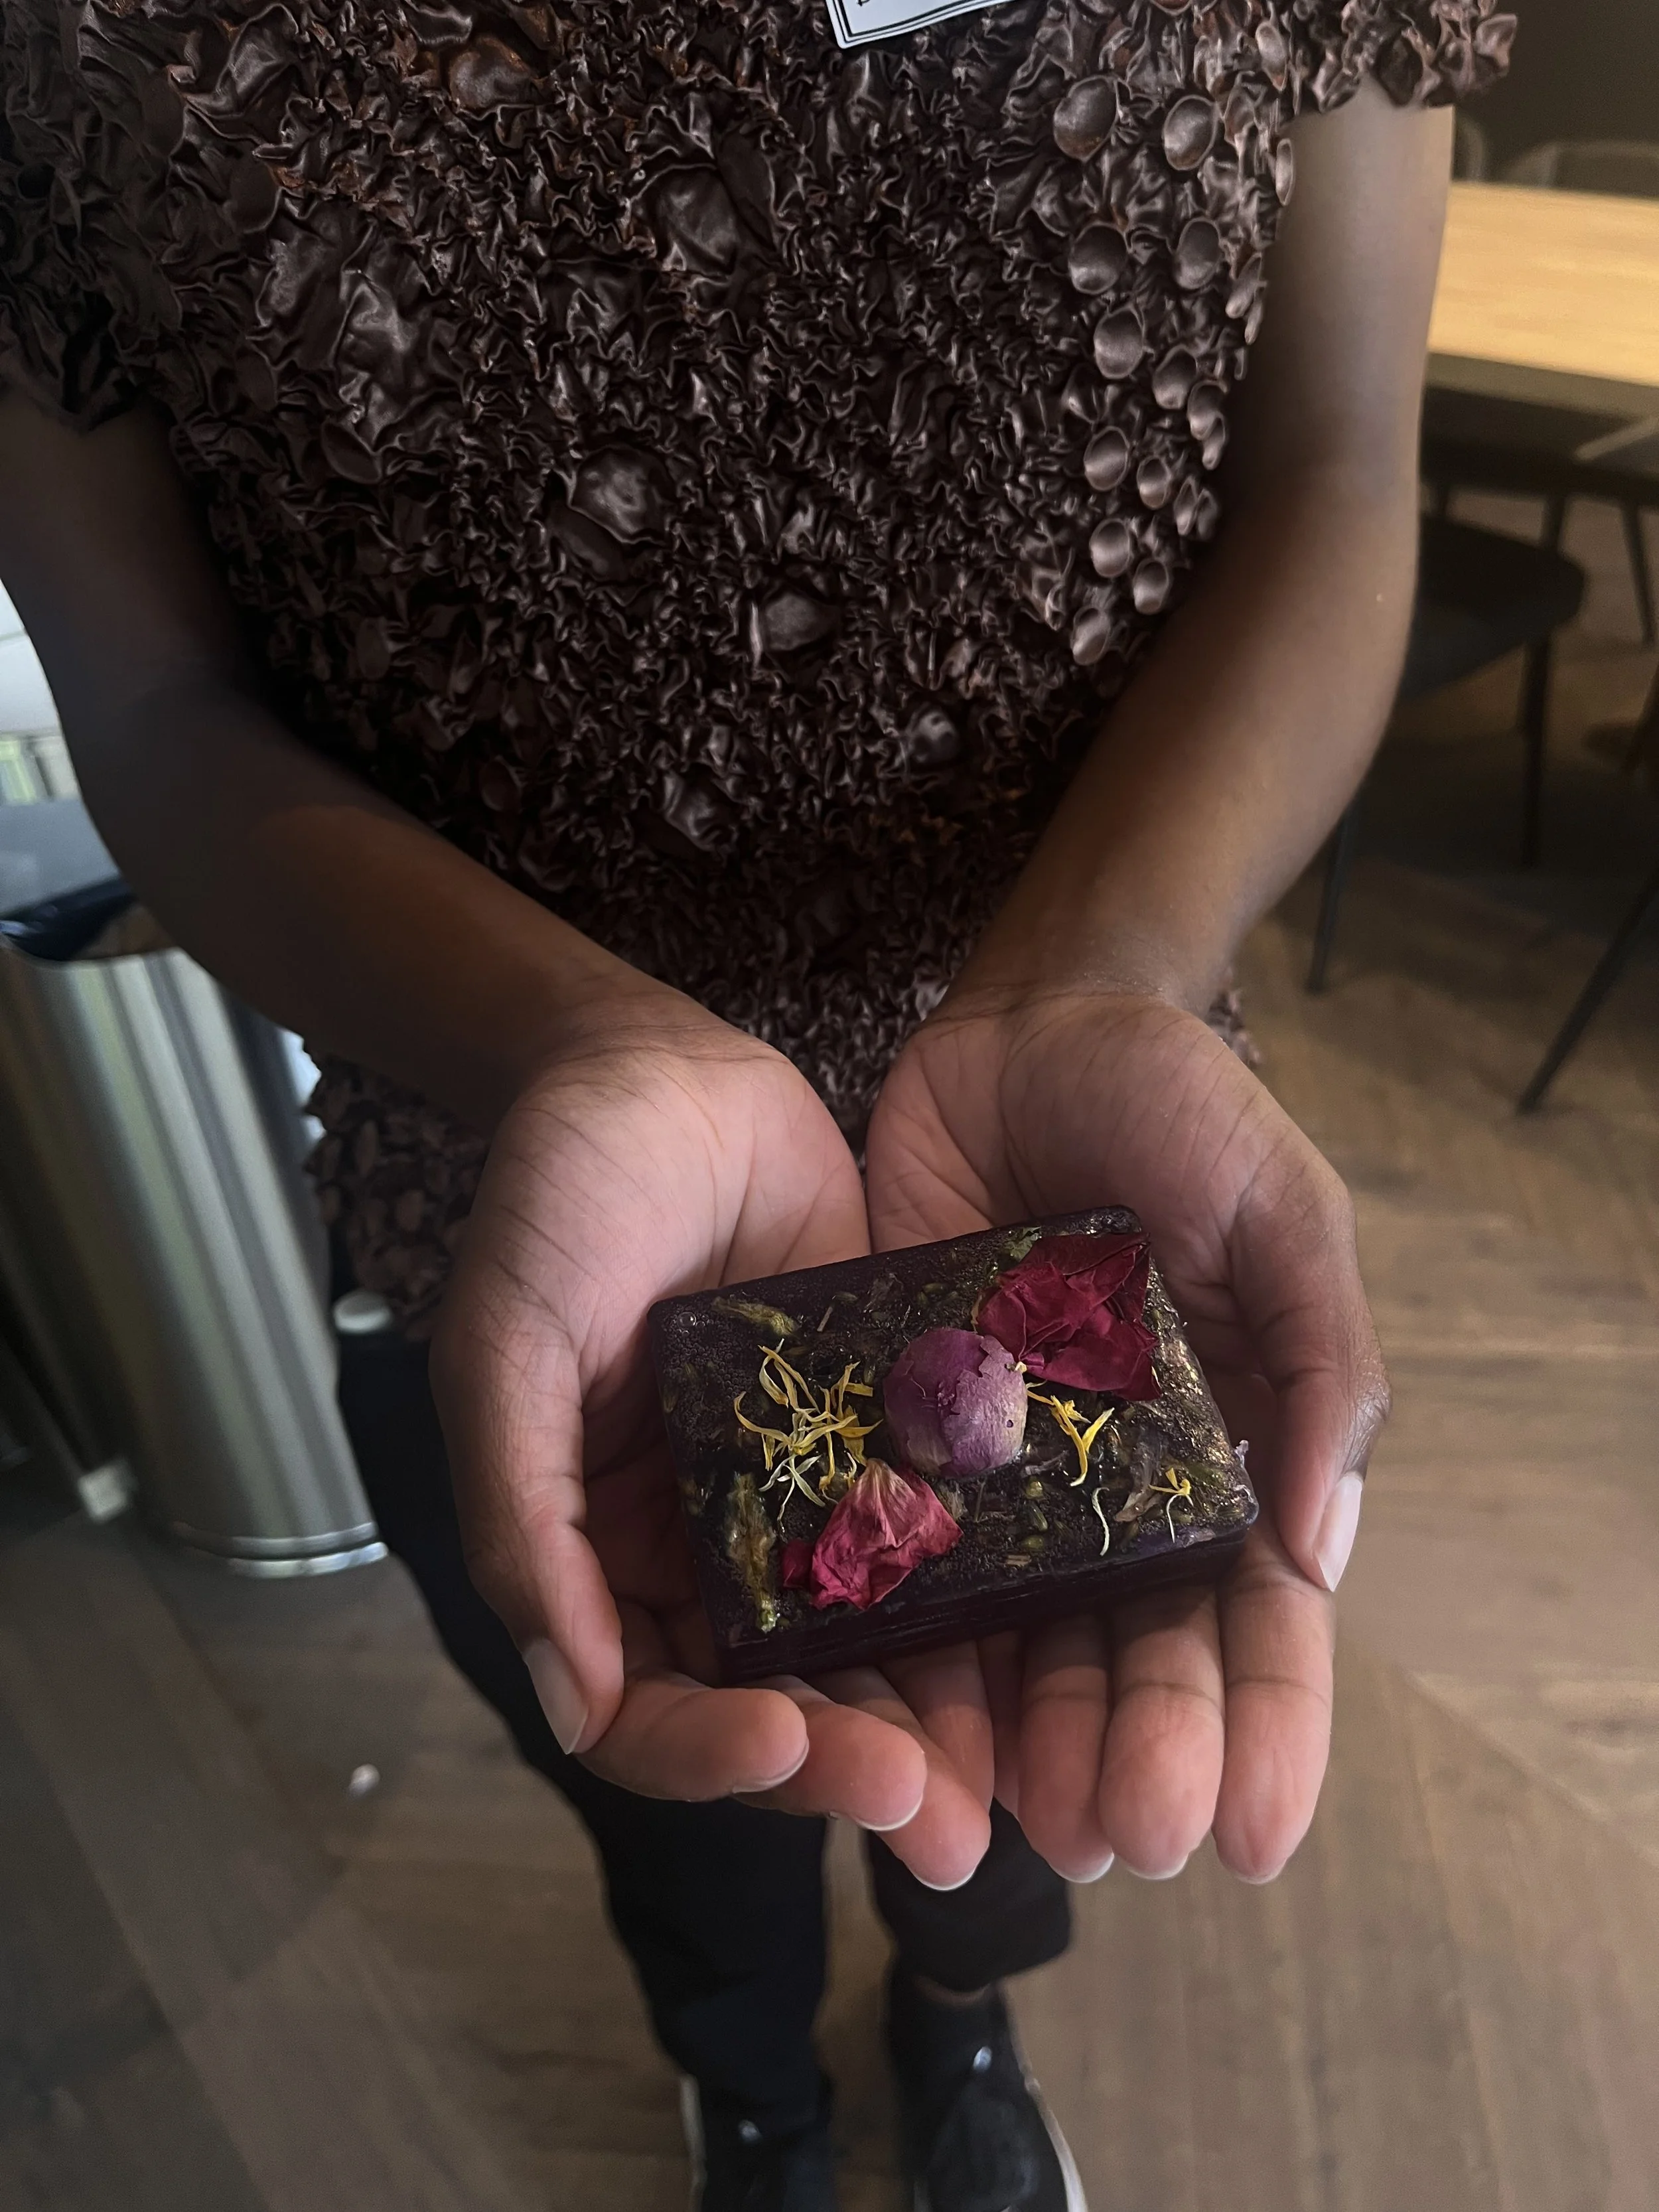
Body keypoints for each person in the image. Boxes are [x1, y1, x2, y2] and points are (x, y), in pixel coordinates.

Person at [0, 1, 1512, 2205]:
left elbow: (1337, 475)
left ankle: (959, 2014)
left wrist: (1091, 972)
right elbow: (146, 689)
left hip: (1079, 1146)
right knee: (674, 1788)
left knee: (1005, 1796)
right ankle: (750, 2092)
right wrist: (589, 1050)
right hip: (528, 1186)